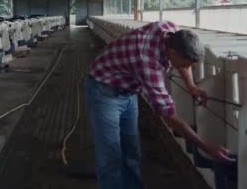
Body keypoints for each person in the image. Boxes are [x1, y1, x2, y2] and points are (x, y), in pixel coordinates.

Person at [84, 20, 233, 189]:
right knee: (110, 156)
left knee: (131, 151)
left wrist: (192, 86)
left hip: (128, 90)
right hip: (103, 90)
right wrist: (205, 147)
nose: (185, 67)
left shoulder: (172, 31)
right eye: (184, 64)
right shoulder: (148, 60)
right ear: (171, 53)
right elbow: (169, 116)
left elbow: (184, 59)